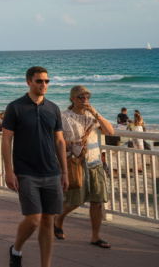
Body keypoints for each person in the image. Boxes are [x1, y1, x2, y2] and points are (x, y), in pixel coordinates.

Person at [1, 66, 68, 267]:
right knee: (33, 220)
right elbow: (6, 140)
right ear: (29, 82)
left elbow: (59, 141)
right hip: (26, 172)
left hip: (52, 172)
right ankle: (16, 250)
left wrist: (64, 172)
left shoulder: (53, 108)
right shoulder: (15, 107)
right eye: (39, 81)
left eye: (46, 81)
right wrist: (9, 171)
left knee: (48, 221)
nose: (44, 84)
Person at [55, 85, 114, 249]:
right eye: (81, 96)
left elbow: (109, 131)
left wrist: (95, 112)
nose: (84, 99)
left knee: (97, 201)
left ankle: (96, 237)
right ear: (72, 98)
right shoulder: (63, 117)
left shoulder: (92, 116)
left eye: (87, 96)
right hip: (75, 163)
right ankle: (58, 218)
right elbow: (56, 140)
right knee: (76, 201)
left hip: (95, 163)